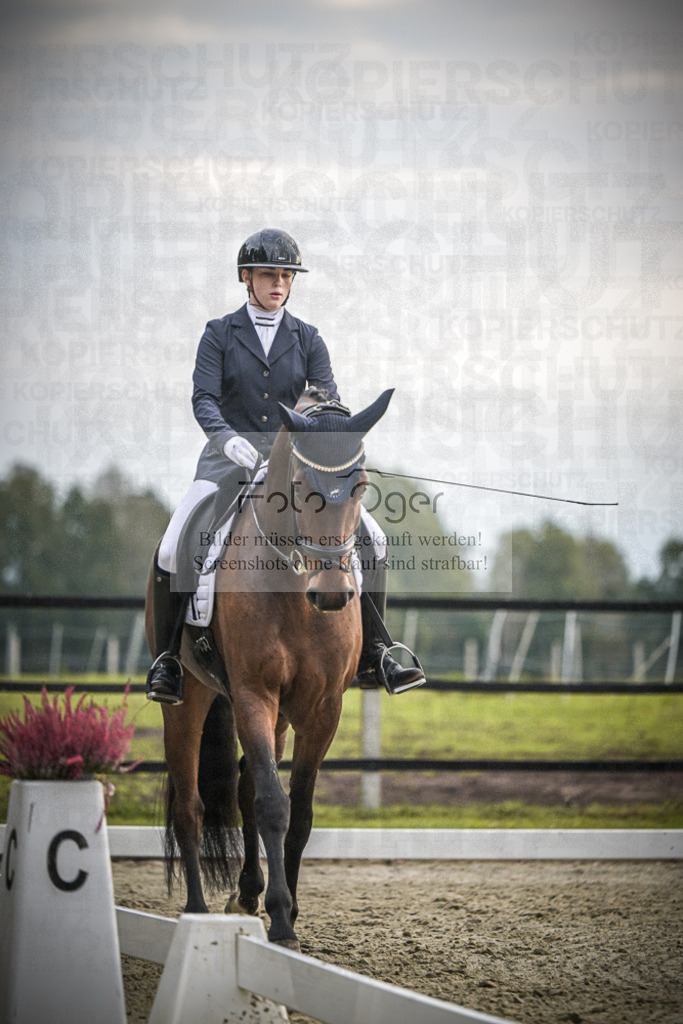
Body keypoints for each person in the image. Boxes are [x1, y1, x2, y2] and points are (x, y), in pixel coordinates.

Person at [146, 228, 425, 705]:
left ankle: (379, 649)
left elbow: (328, 400)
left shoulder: (308, 337)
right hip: (226, 460)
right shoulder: (219, 333)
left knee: (374, 538)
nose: (278, 283)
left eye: (285, 276)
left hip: (298, 461)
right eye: (269, 274)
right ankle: (170, 659)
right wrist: (228, 440)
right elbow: (204, 399)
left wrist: (321, 424)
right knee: (174, 546)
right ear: (246, 278)